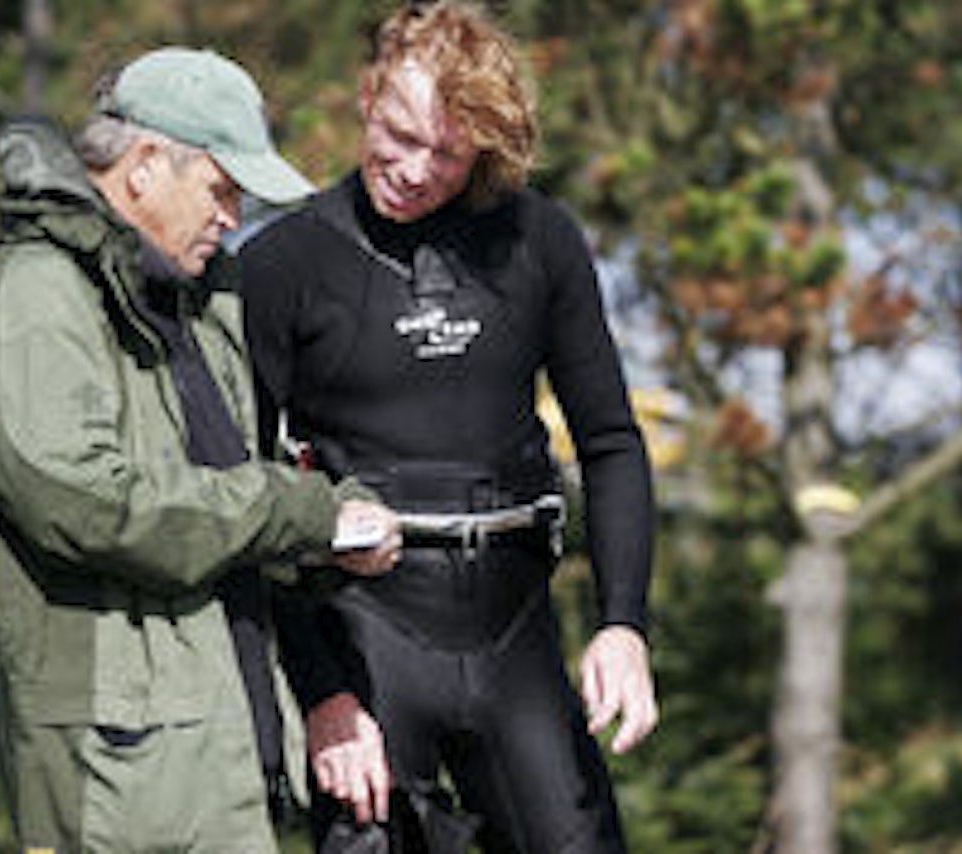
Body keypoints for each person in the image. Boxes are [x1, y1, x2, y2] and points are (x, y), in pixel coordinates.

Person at [0, 46, 402, 854]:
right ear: (147, 166)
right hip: (115, 775)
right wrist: (296, 511)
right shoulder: (38, 291)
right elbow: (85, 502)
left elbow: (232, 499)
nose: (233, 216)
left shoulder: (202, 300)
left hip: (220, 757)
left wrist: (331, 536)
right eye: (222, 189)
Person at [241, 2, 660, 852]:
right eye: (399, 134)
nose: (415, 170)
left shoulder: (539, 240)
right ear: (367, 98)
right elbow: (248, 490)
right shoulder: (282, 265)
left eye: (448, 153)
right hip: (365, 632)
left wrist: (624, 623)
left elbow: (612, 442)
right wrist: (321, 694)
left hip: (514, 630)